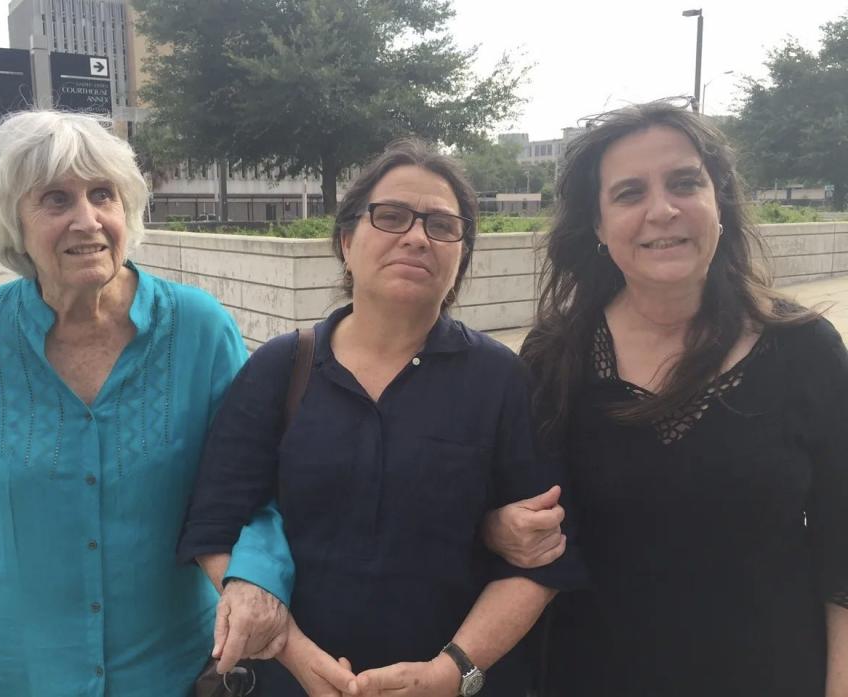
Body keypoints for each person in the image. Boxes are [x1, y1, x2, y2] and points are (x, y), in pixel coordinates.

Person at [0, 110, 294, 697]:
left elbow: (254, 483)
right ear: (14, 221)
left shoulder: (199, 327)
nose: (86, 220)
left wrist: (257, 579)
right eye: (56, 199)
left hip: (174, 666)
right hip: (13, 667)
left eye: (103, 195)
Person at [177, 139, 587, 697]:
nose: (417, 236)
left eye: (441, 225)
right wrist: (294, 653)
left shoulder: (502, 381)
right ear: (346, 241)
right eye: (391, 216)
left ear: (461, 257)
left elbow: (543, 558)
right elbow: (214, 524)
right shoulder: (282, 367)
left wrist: (452, 672)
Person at [484, 100, 848, 696]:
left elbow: (843, 554)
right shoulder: (557, 355)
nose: (662, 210)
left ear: (719, 202)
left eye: (684, 183)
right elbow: (514, 509)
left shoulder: (805, 352)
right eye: (629, 193)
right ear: (598, 227)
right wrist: (497, 527)